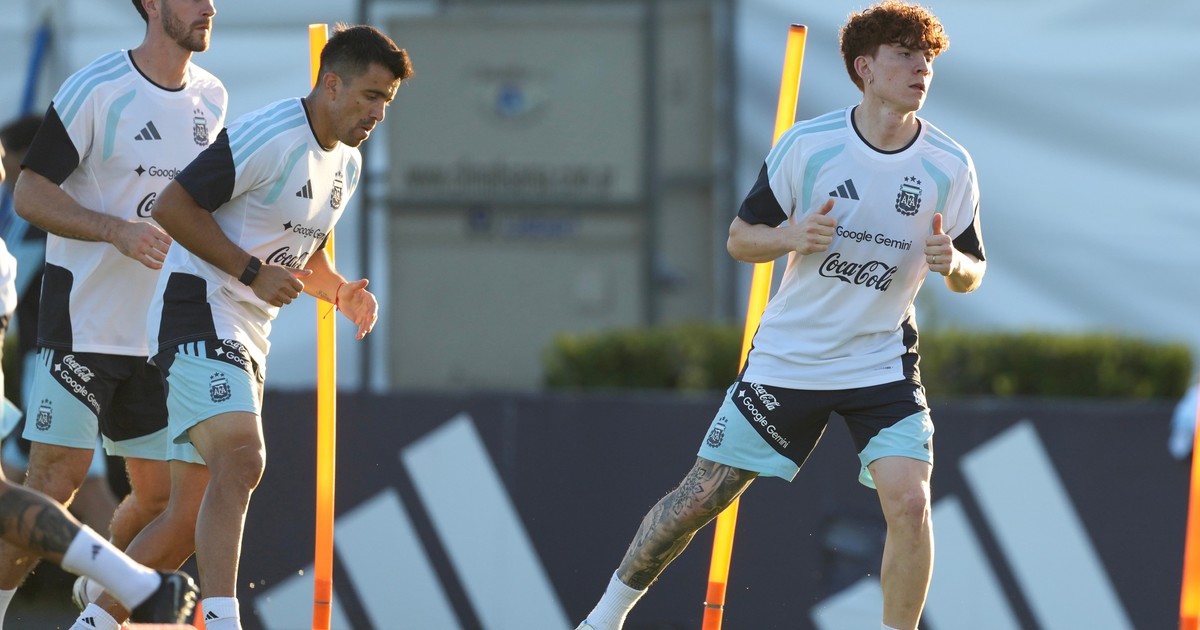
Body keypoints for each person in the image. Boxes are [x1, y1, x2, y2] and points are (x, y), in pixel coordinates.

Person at [575, 3, 986, 630]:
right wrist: (792, 236)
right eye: (905, 55)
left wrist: (951, 261)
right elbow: (740, 239)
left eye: (927, 58)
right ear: (865, 68)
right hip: (791, 357)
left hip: (881, 360)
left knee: (910, 504)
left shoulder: (949, 164)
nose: (920, 69)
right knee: (698, 499)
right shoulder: (809, 146)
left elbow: (972, 271)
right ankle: (604, 618)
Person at [126, 24, 410, 629]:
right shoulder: (268, 134)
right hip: (197, 307)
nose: (378, 113)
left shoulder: (349, 163)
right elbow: (172, 207)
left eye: (387, 101)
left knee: (186, 519)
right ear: (330, 85)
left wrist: (340, 292)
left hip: (248, 331)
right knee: (244, 458)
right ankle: (222, 619)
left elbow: (305, 251)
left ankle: (91, 619)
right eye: (370, 96)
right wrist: (251, 272)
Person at [0, 0, 226, 626]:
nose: (210, 7)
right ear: (152, 4)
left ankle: (94, 610)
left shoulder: (213, 97)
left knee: (164, 502)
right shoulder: (96, 88)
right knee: (54, 482)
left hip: (158, 336)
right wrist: (115, 231)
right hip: (82, 326)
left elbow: (210, 208)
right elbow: (29, 193)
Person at [1, 114, 123, 543]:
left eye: (7, 158)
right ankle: (132, 575)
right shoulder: (31, 211)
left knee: (53, 487)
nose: (5, 170)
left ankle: (135, 576)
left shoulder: (42, 212)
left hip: (52, 361)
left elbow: (14, 285)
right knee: (66, 486)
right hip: (53, 359)